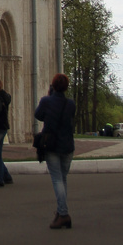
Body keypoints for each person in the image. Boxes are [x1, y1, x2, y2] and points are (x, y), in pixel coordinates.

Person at [35, 73, 76, 229]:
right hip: (68, 146)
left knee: (57, 180)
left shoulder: (47, 101)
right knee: (63, 179)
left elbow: (38, 115)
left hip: (52, 145)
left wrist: (48, 98)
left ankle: (64, 214)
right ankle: (60, 211)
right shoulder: (70, 104)